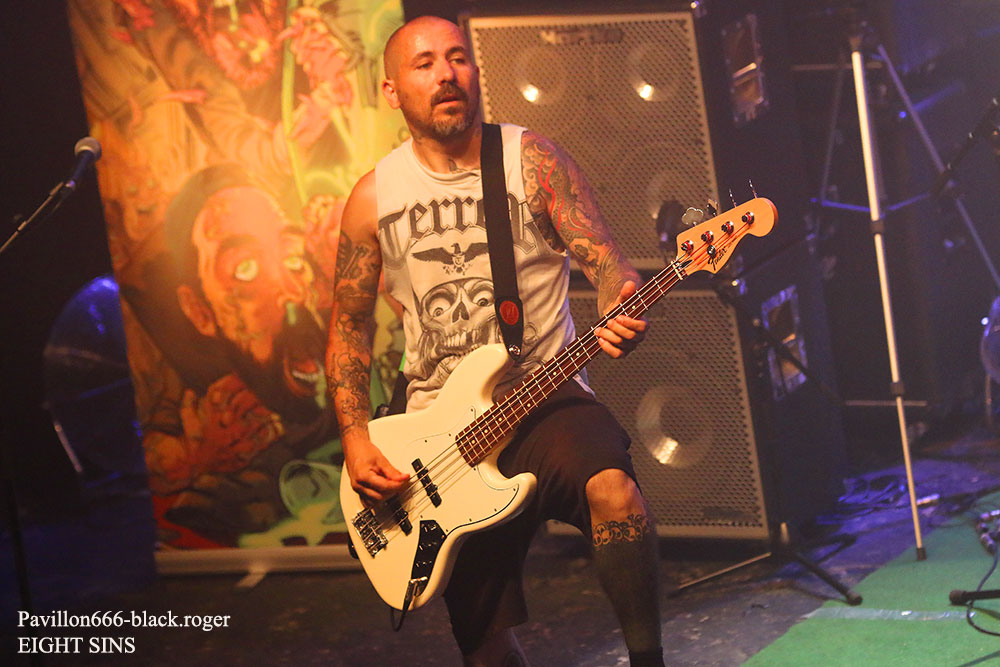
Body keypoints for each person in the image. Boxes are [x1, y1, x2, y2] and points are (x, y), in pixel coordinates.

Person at [326, 16, 663, 667]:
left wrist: (619, 293)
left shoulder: (529, 160)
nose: (446, 74)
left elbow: (605, 260)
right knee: (483, 640)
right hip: (436, 437)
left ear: (475, 72)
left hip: (543, 396)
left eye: (457, 57)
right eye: (425, 63)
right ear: (391, 90)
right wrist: (355, 438)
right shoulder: (372, 199)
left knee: (614, 491)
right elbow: (348, 327)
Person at [141, 164, 338, 542]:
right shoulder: (209, 426)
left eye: (292, 258)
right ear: (200, 310)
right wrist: (198, 456)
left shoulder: (362, 355)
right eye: (246, 269)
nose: (292, 292)